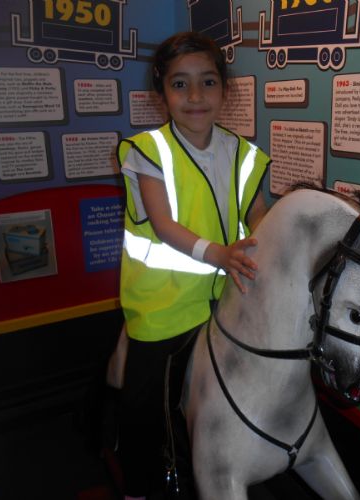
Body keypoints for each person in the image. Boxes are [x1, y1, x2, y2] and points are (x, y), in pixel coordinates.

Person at [117, 31, 270, 500]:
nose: (195, 96)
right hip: (163, 306)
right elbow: (163, 225)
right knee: (146, 406)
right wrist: (219, 254)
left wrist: (268, 247)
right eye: (180, 84)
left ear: (224, 88)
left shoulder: (243, 153)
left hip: (227, 301)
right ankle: (138, 485)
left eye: (207, 82)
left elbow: (259, 217)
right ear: (161, 92)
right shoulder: (148, 150)